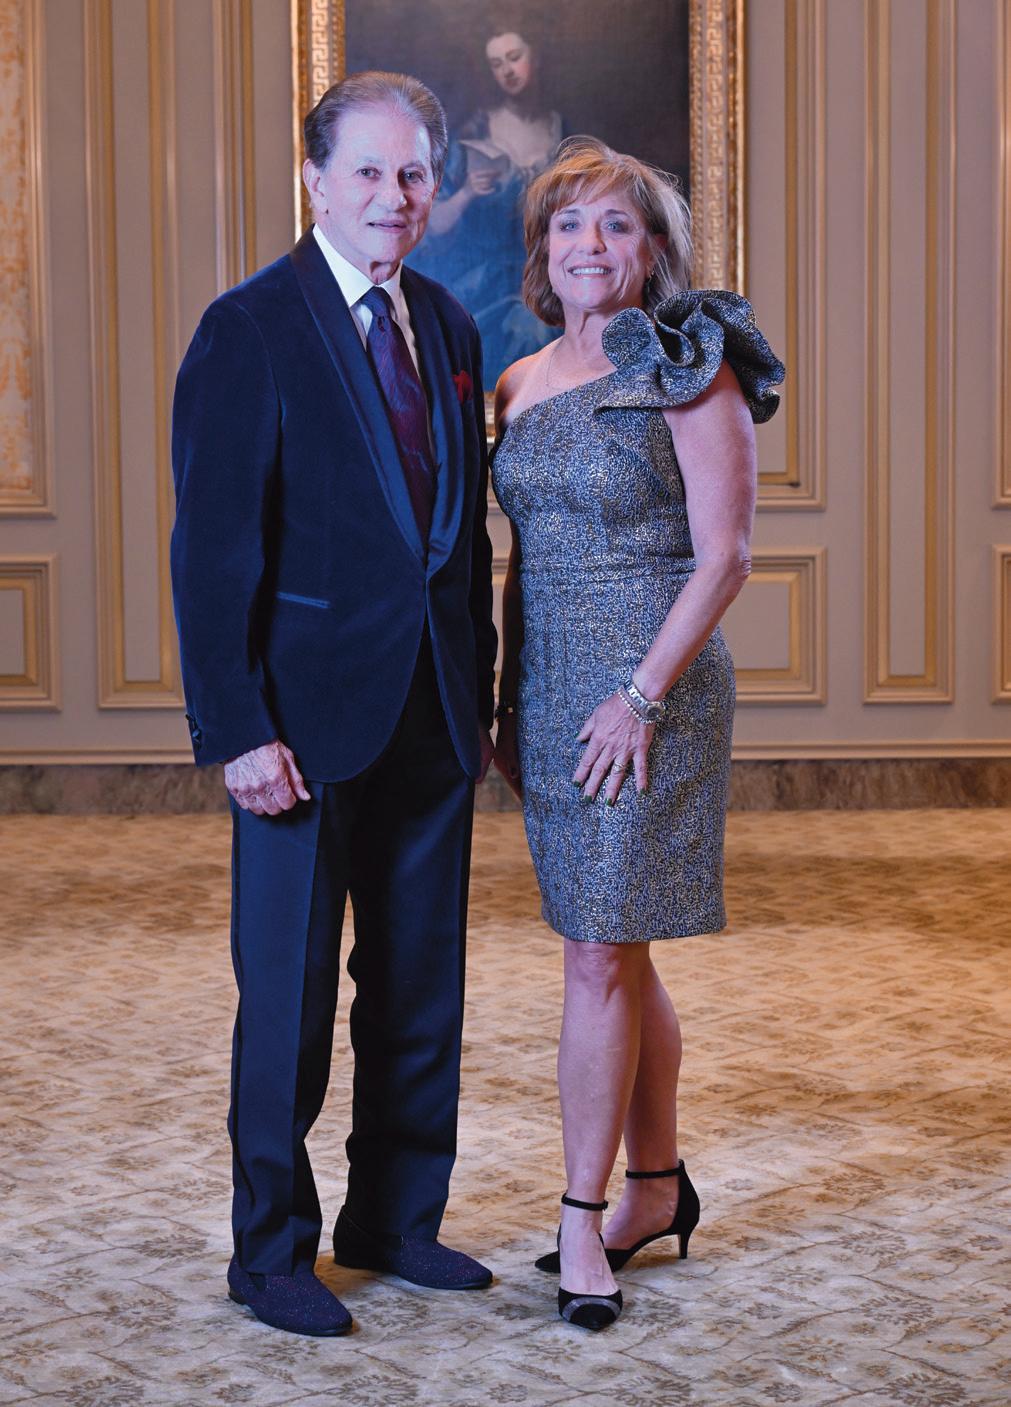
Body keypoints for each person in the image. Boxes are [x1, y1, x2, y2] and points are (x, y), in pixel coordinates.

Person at [170, 71, 497, 1338]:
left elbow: (457, 548)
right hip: (297, 731)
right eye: (367, 170)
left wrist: (483, 703)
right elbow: (212, 553)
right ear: (313, 179)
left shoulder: (449, 329)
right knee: (291, 998)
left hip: (432, 714)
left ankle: (395, 1221)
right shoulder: (249, 328)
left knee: (418, 985)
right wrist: (238, 729)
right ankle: (270, 1253)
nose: (392, 195)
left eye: (413, 172)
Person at [491, 136, 784, 1330]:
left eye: (616, 224)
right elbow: (515, 566)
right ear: (542, 250)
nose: (589, 245)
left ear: (654, 250)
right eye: (569, 225)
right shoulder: (516, 382)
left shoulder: (688, 369)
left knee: (597, 954)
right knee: (613, 945)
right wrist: (506, 701)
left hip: (651, 696)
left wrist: (641, 698)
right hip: (552, 694)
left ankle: (582, 1213)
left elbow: (727, 558)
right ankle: (658, 1186)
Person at [410, 12, 563, 380]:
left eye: (514, 57)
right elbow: (432, 225)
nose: (507, 71)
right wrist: (467, 192)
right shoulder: (472, 133)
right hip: (487, 284)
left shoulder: (562, 128)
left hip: (551, 281)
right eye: (497, 64)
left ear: (535, 57)